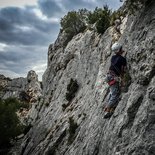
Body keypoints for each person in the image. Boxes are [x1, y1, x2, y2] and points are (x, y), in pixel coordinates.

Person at [104, 42, 127, 119]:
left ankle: (110, 107)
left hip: (109, 76)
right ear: (119, 50)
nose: (122, 49)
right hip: (113, 77)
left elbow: (117, 62)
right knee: (114, 94)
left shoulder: (113, 57)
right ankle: (107, 110)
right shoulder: (122, 59)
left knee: (112, 92)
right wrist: (123, 79)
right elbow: (123, 70)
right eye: (121, 49)